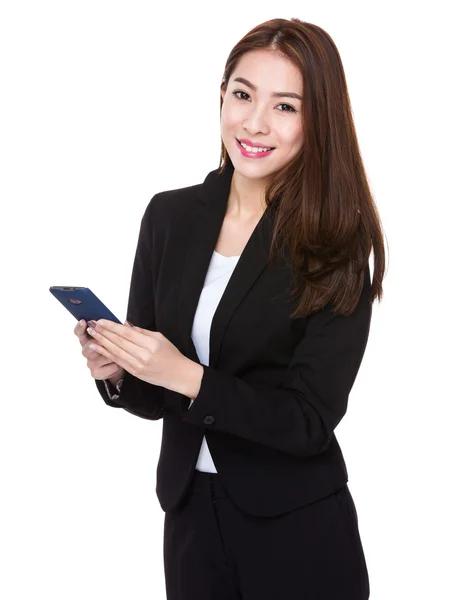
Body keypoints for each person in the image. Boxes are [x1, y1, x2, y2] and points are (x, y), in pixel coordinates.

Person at [74, 17, 385, 600]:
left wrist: (187, 376)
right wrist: (118, 370)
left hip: (297, 526)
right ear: (221, 96)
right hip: (191, 516)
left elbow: (308, 421)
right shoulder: (170, 217)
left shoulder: (337, 243)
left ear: (318, 120)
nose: (255, 122)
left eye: (286, 106)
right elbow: (154, 396)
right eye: (242, 95)